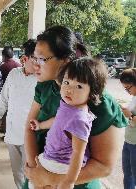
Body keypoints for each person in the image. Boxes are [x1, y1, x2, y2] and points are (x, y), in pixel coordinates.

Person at [23, 26, 128, 189]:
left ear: (65, 60)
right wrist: (34, 172)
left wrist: (50, 180)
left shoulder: (99, 100)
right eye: (34, 58)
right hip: (39, 176)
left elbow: (104, 166)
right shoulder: (45, 87)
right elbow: (30, 128)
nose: (35, 65)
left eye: (42, 59)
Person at [29, 58, 107, 189]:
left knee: (35, 182)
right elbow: (58, 120)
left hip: (61, 164)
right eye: (66, 82)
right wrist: (40, 125)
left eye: (79, 86)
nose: (69, 89)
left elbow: (78, 153)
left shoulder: (79, 120)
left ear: (92, 93)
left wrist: (69, 181)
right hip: (53, 156)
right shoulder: (68, 104)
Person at [0, 39, 37, 189]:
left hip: (31, 136)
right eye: (36, 59)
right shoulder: (13, 74)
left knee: (31, 175)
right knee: (17, 173)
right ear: (25, 59)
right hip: (12, 133)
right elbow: (3, 99)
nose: (39, 64)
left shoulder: (42, 79)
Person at [119, 68, 136, 189]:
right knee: (128, 174)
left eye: (128, 88)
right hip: (128, 141)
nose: (127, 91)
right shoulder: (135, 96)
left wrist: (129, 115)